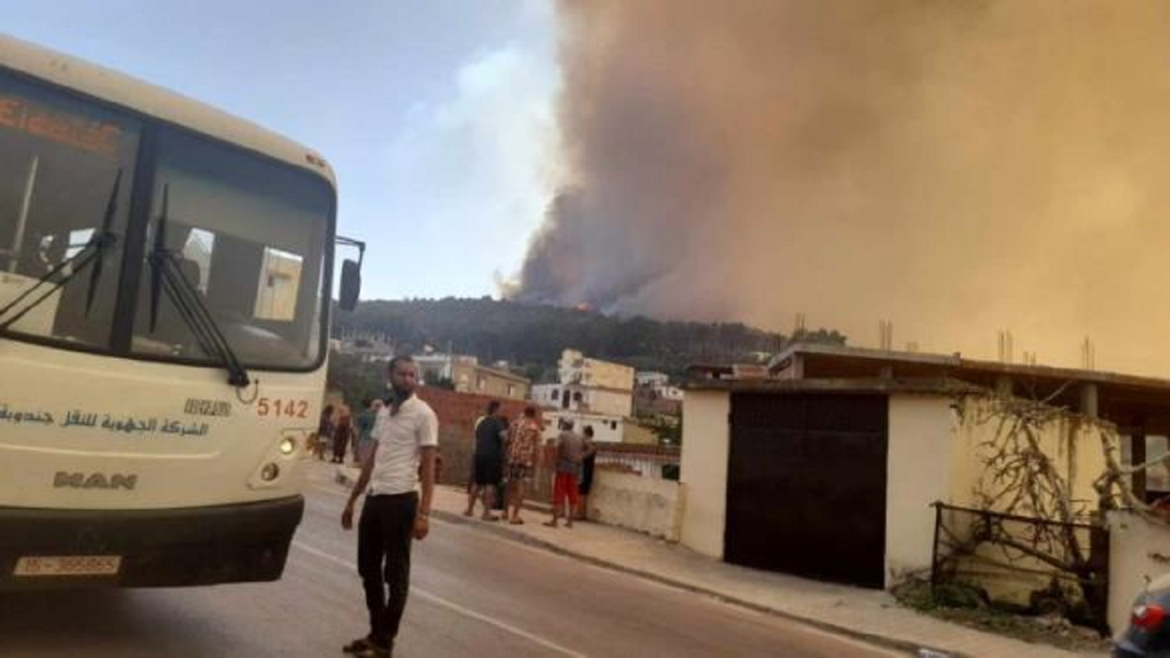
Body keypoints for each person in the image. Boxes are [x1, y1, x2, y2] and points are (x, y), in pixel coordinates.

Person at [341, 356, 437, 658]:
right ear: (390, 376)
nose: (409, 379)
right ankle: (376, 633)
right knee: (367, 568)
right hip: (376, 497)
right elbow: (373, 459)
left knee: (395, 574)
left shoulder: (424, 414)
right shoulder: (383, 411)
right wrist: (353, 498)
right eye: (403, 374)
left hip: (402, 500)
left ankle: (385, 640)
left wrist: (424, 514)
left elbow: (430, 466)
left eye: (413, 375)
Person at [464, 400, 507, 521]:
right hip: (491, 456)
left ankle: (469, 509)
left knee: (477, 483)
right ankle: (486, 513)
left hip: (479, 455)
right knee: (490, 484)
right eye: (501, 409)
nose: (502, 411)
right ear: (496, 409)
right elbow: (504, 437)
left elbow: (477, 437)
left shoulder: (482, 422)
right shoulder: (497, 422)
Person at [504, 406, 541, 525]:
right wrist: (536, 464)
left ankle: (505, 512)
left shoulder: (514, 424)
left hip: (512, 458)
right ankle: (514, 516)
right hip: (525, 461)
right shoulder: (535, 428)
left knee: (509, 485)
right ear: (534, 415)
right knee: (521, 487)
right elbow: (536, 448)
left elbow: (507, 440)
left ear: (524, 413)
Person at [546, 420, 584, 529]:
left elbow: (555, 446)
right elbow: (589, 447)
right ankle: (570, 522)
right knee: (573, 495)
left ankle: (555, 521)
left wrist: (556, 460)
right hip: (575, 468)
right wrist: (581, 457)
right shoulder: (578, 437)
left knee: (558, 494)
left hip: (563, 467)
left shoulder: (562, 434)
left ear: (564, 426)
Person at [576, 425, 597, 521]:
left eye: (583, 433)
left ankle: (580, 513)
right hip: (587, 470)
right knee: (583, 492)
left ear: (586, 433)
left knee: (581, 492)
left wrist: (579, 456)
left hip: (585, 470)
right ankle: (581, 513)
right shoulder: (589, 444)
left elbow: (584, 456)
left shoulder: (590, 444)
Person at [355, 399, 383, 465]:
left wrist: (357, 437)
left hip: (366, 437)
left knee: (364, 455)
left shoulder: (366, 414)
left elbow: (360, 426)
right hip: (377, 439)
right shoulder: (383, 416)